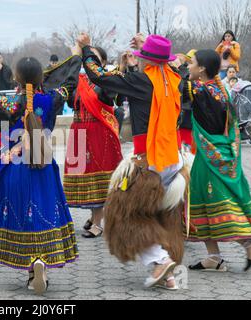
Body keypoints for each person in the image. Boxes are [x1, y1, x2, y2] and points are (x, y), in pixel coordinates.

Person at [78, 32, 189, 290]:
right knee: (161, 215)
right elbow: (173, 65)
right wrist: (147, 50)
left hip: (150, 162)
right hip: (174, 160)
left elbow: (98, 75)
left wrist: (85, 49)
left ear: (146, 60)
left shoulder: (141, 81)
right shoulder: (176, 79)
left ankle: (161, 261)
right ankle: (170, 276)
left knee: (123, 214)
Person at [0, 51, 81, 295]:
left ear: (15, 79)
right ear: (42, 76)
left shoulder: (4, 104)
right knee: (41, 210)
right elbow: (70, 82)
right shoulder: (53, 99)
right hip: (42, 165)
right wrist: (78, 53)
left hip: (15, 166)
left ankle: (32, 270)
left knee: (22, 213)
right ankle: (42, 263)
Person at [182, 49, 251, 273]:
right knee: (199, 202)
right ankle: (213, 257)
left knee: (220, 202)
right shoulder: (220, 89)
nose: (188, 66)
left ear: (202, 69)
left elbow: (179, 86)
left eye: (191, 63)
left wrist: (166, 59)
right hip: (219, 153)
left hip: (209, 158)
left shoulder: (200, 90)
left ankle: (249, 243)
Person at [64, 46, 123, 238]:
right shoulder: (78, 82)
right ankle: (94, 217)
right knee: (87, 176)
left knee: (99, 178)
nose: (87, 61)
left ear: (102, 63)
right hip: (79, 133)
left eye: (93, 58)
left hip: (99, 135)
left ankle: (98, 223)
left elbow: (110, 97)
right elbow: (69, 98)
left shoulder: (106, 82)